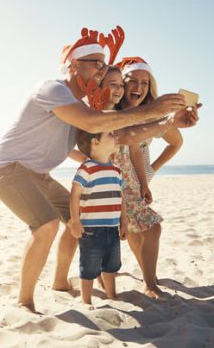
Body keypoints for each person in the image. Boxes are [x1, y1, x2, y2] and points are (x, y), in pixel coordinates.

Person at [0, 26, 201, 313]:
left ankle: (60, 282)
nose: (102, 71)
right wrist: (155, 110)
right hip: (9, 169)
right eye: (97, 64)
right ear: (75, 65)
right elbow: (92, 124)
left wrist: (168, 122)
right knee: (47, 225)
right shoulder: (53, 90)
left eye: (104, 65)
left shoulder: (85, 105)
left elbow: (124, 136)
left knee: (81, 222)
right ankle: (24, 300)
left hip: (40, 176)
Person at [112, 56, 184, 299]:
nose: (138, 88)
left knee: (144, 228)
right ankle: (150, 283)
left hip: (132, 180)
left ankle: (148, 279)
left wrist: (148, 176)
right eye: (133, 81)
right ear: (121, 84)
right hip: (111, 179)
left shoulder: (151, 115)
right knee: (148, 228)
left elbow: (138, 149)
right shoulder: (110, 111)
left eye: (145, 83)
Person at [69, 129, 127, 305]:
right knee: (89, 266)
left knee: (111, 265)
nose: (115, 136)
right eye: (110, 134)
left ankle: (111, 295)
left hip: (112, 227)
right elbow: (74, 195)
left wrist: (124, 221)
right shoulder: (86, 168)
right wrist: (75, 221)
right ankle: (86, 301)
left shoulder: (116, 170)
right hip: (90, 229)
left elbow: (121, 197)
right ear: (95, 142)